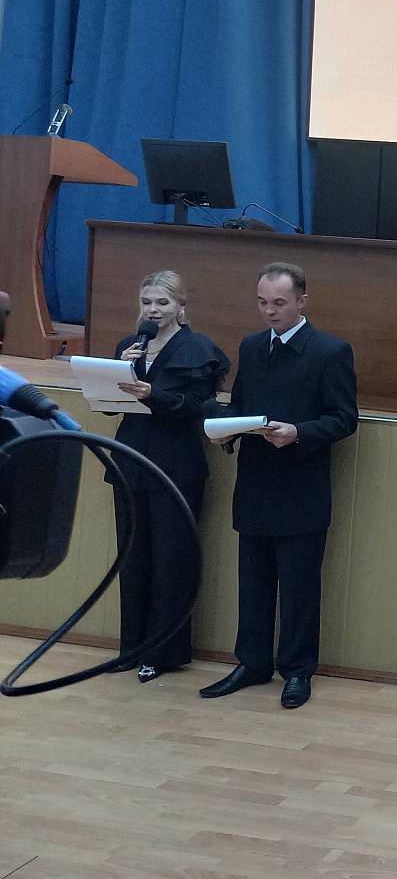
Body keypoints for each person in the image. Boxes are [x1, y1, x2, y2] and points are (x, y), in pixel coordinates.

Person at [199, 262, 357, 709]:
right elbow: (242, 406)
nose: (270, 311)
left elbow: (345, 418)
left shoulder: (330, 351)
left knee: (299, 588)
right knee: (253, 583)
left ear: (302, 301)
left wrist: (299, 432)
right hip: (255, 483)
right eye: (263, 303)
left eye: (279, 303)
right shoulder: (252, 347)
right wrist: (227, 431)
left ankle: (298, 670)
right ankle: (251, 662)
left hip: (301, 487)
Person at [104, 271, 230, 682]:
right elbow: (108, 405)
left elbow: (198, 407)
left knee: (171, 561)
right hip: (130, 461)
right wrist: (115, 374)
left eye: (162, 302)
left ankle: (163, 653)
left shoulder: (199, 348)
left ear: (180, 306)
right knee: (132, 558)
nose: (153, 310)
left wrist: (153, 394)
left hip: (176, 464)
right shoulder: (129, 346)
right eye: (147, 302)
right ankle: (132, 648)